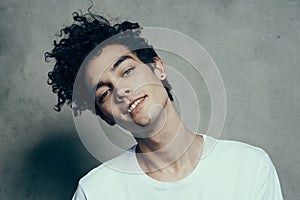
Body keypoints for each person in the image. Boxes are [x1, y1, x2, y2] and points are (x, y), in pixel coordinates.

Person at [45, 11, 283, 200]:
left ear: (158, 68)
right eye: (105, 92)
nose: (121, 90)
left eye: (127, 70)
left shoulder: (249, 166)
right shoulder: (96, 191)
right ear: (106, 115)